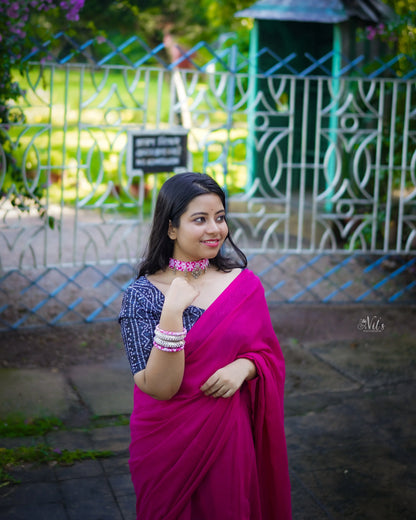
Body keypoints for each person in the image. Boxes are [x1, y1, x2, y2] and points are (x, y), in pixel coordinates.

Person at [119, 172, 292, 520]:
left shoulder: (243, 285)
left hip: (228, 437)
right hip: (166, 445)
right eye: (200, 219)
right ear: (171, 228)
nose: (215, 229)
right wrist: (171, 313)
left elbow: (269, 355)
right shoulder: (140, 296)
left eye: (220, 217)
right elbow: (160, 387)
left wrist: (244, 367)